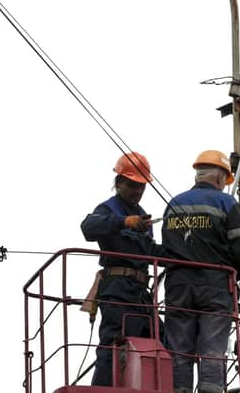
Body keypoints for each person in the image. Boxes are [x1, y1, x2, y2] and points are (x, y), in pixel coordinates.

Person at [162, 150, 240, 393]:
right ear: (221, 177)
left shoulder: (174, 203)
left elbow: (167, 246)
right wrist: (236, 273)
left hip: (178, 284)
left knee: (179, 348)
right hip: (215, 284)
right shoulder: (226, 203)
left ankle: (179, 390)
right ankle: (210, 390)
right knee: (212, 347)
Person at [81, 151, 159, 386]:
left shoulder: (141, 216)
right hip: (117, 289)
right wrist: (123, 223)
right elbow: (88, 228)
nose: (138, 191)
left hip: (140, 292)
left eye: (141, 187)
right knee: (115, 341)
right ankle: (102, 389)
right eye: (133, 185)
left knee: (159, 336)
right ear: (119, 183)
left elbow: (149, 252)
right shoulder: (108, 209)